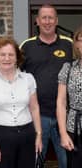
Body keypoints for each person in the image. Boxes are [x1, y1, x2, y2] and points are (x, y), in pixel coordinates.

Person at [20, 4, 73, 168]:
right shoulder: (26, 46)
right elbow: (15, 76)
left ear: (56, 21)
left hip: (64, 116)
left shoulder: (69, 44)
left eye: (51, 17)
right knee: (36, 161)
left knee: (67, 162)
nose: (47, 21)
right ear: (37, 21)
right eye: (44, 17)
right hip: (37, 116)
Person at [0, 36, 42, 168]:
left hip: (27, 136)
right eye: (2, 54)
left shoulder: (28, 79)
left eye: (11, 54)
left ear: (17, 58)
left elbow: (34, 108)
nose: (7, 58)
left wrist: (38, 135)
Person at [57, 26, 82, 168]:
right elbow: (61, 102)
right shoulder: (68, 68)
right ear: (77, 45)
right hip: (73, 129)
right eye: (81, 40)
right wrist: (63, 133)